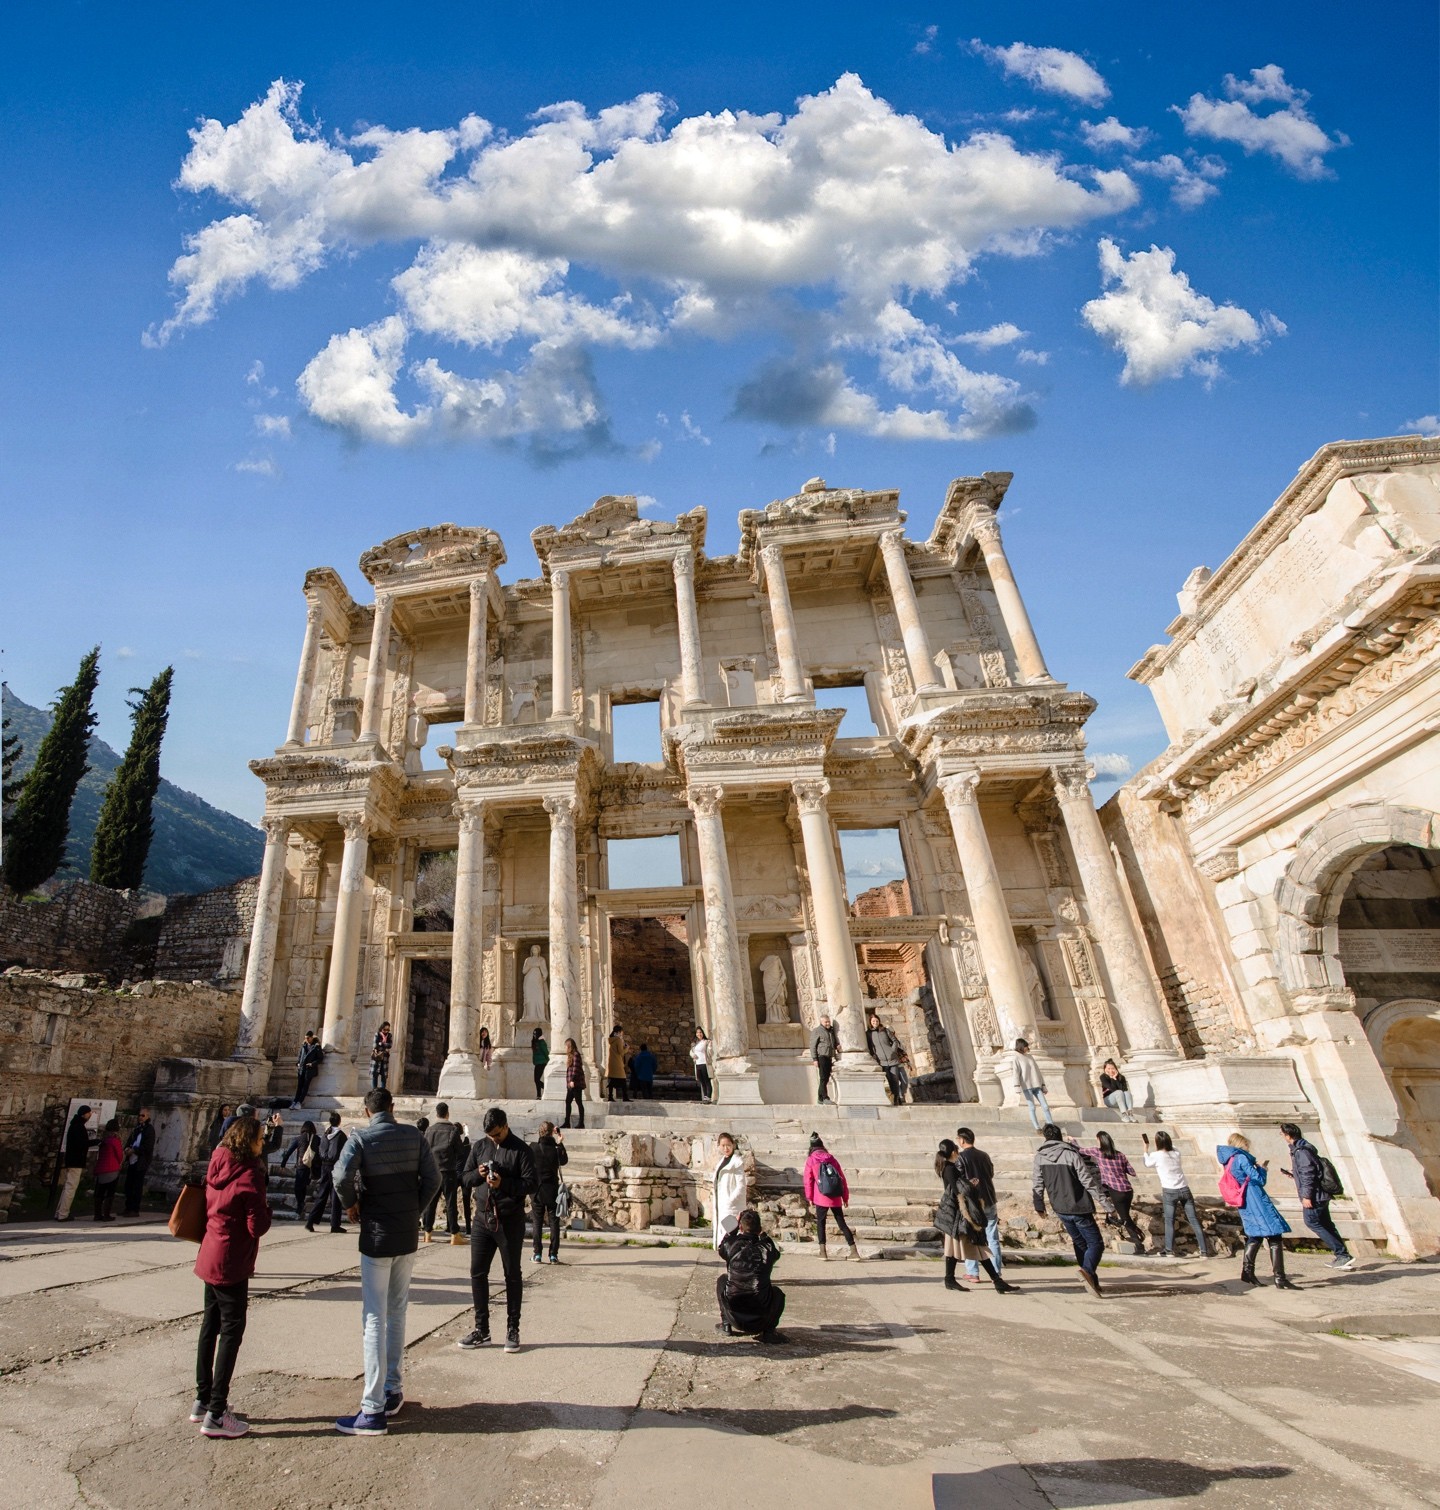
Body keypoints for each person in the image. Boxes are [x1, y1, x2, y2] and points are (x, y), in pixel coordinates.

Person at [332, 1088, 441, 1435]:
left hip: (377, 1235)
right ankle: (392, 1390)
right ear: (393, 1108)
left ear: (366, 1111)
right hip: (406, 1235)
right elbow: (434, 1179)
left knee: (374, 1318)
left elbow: (339, 1176)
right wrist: (415, 1210)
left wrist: (351, 1204)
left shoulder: (361, 1137)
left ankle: (372, 1409)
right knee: (397, 1312)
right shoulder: (413, 1135)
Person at [190, 1113, 273, 1438]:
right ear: (250, 1140)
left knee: (209, 1327)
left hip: (209, 1254)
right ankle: (217, 1412)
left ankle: (202, 1399)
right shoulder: (250, 1175)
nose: (263, 1143)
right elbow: (256, 1226)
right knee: (231, 1333)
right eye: (261, 1138)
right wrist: (265, 1211)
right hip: (231, 1261)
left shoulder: (217, 1162)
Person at [458, 1108, 536, 1354]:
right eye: (491, 1135)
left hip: (509, 1220)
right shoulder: (481, 1146)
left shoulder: (521, 1150)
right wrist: (479, 1175)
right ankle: (482, 1330)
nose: (494, 1138)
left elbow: (531, 1184)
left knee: (512, 1274)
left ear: (505, 1125)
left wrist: (504, 1184)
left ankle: (513, 1329)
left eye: (497, 1134)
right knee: (477, 1273)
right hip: (482, 1218)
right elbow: (465, 1177)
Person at [1033, 1122, 1111, 1297]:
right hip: (1079, 1205)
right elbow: (1087, 1181)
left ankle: (1093, 1282)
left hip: (1060, 1207)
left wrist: (1039, 1205)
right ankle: (1087, 1271)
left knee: (1080, 1243)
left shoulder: (1039, 1157)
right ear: (1060, 1136)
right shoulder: (1070, 1154)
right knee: (1096, 1243)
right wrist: (1106, 1205)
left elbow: (1037, 1183)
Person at [935, 1140, 1020, 1294]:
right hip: (961, 1216)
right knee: (977, 1246)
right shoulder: (950, 1169)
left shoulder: (946, 1168)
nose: (958, 1152)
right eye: (956, 1149)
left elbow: (959, 1188)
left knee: (959, 1249)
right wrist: (970, 1186)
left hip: (957, 1216)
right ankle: (996, 1281)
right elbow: (958, 1192)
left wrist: (968, 1184)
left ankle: (952, 1279)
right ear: (953, 1152)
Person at [1217, 1133, 1296, 1290]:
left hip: (1244, 1199)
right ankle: (1280, 1278)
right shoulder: (1241, 1158)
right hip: (1255, 1197)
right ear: (1242, 1144)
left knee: (1255, 1236)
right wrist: (1262, 1169)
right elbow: (1259, 1179)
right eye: (1247, 1145)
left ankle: (1248, 1272)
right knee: (1274, 1235)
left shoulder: (1229, 1161)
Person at [1280, 1122, 1353, 1270]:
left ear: (1288, 1135)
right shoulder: (1304, 1149)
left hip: (1315, 1196)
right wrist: (1295, 1175)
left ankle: (1342, 1254)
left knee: (1312, 1222)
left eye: (1282, 1134)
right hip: (1320, 1194)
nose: (1282, 1136)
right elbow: (1308, 1172)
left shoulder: (1301, 1151)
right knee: (1326, 1224)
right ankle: (1343, 1254)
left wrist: (1307, 1196)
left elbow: (1308, 1174)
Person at [716, 1209, 786, 1342]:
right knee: (777, 1292)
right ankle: (769, 1332)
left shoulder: (731, 1245)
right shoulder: (767, 1248)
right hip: (761, 1317)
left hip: (734, 1314)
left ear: (740, 1226)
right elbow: (775, 1252)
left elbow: (722, 1247)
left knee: (722, 1280)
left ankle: (726, 1324)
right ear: (759, 1228)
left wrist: (732, 1230)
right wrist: (763, 1234)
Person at [1077, 1130, 1148, 1251]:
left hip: (1116, 1191)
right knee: (1125, 1216)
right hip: (1128, 1190)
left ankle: (1139, 1242)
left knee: (1124, 1218)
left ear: (1099, 1141)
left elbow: (1081, 1150)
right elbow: (1132, 1172)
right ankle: (1136, 1238)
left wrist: (1073, 1141)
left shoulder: (1098, 1152)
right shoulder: (1120, 1155)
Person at [1142, 1131, 1209, 1258]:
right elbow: (1172, 1149)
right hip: (1184, 1189)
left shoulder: (1156, 1155)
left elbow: (1147, 1163)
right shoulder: (1176, 1152)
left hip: (1170, 1191)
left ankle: (1169, 1250)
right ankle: (1204, 1251)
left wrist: (1145, 1149)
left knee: (1169, 1221)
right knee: (1194, 1220)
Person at [955, 1127, 1005, 1283]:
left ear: (961, 1140)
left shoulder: (961, 1158)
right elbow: (990, 1174)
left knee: (971, 1236)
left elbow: (959, 1180)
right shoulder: (984, 1155)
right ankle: (996, 1272)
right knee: (992, 1237)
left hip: (972, 1202)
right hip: (989, 1198)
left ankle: (973, 1272)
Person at [803, 1133, 860, 1260]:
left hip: (821, 1196)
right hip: (835, 1196)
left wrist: (809, 1197)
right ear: (822, 1145)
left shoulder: (811, 1159)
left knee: (821, 1223)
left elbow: (808, 1180)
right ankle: (854, 1251)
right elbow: (841, 1178)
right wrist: (845, 1197)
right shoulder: (832, 1159)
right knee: (842, 1224)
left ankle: (823, 1252)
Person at [422, 1102, 465, 1244]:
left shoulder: (429, 1130)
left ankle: (427, 1232)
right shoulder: (453, 1130)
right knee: (450, 1203)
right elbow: (460, 1151)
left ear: (436, 1114)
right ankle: (454, 1233)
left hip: (433, 1171)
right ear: (447, 1113)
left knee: (431, 1203)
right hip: (448, 1171)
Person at [529, 1121, 568, 1264]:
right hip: (552, 1189)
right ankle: (553, 1255)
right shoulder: (556, 1149)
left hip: (537, 1190)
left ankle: (537, 1253)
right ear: (552, 1132)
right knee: (554, 1222)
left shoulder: (533, 1148)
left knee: (537, 1222)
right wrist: (560, 1142)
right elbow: (564, 1161)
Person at [305, 1111, 348, 1234]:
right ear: (339, 1121)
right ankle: (335, 1224)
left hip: (324, 1166)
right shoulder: (340, 1135)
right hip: (335, 1167)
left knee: (322, 1194)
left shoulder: (325, 1134)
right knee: (335, 1196)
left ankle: (310, 1221)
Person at [54, 1105, 94, 1221]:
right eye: (89, 1113)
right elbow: (82, 1144)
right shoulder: (78, 1127)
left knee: (67, 1187)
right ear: (84, 1114)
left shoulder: (74, 1125)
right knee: (71, 1187)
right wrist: (95, 1142)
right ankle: (63, 1214)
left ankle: (60, 1212)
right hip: (76, 1160)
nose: (90, 1115)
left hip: (71, 1160)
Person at [712, 1131, 747, 1251]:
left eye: (728, 1145)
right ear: (719, 1146)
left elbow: (741, 1185)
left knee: (732, 1234)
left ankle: (734, 1258)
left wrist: (730, 1201)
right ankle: (727, 1256)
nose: (726, 1148)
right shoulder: (721, 1162)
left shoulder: (736, 1162)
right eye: (723, 1145)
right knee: (725, 1234)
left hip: (731, 1206)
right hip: (721, 1205)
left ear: (733, 1145)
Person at [866, 1011, 908, 1104]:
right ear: (870, 1022)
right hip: (882, 1061)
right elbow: (870, 1046)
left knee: (895, 1079)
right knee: (889, 1079)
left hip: (892, 1059)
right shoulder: (868, 1034)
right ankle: (894, 1096)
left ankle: (897, 1098)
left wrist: (892, 1051)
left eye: (876, 1021)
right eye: (873, 1022)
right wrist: (874, 1056)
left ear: (879, 1021)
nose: (875, 1023)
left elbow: (895, 1041)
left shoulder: (885, 1030)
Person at [279, 1119, 319, 1214]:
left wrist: (283, 1164)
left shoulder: (299, 1138)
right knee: (304, 1186)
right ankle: (302, 1204)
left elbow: (288, 1152)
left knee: (298, 1187)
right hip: (313, 1166)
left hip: (302, 1165)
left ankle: (300, 1204)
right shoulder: (317, 1138)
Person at [1011, 1039, 1053, 1130]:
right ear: (1021, 1047)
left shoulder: (1030, 1057)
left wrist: (1043, 1085)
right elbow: (1015, 1073)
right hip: (1027, 1087)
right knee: (1032, 1107)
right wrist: (1017, 1087)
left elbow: (1037, 1071)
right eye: (1025, 1046)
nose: (1027, 1048)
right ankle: (1037, 1128)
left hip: (1037, 1085)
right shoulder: (1016, 1058)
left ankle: (1050, 1125)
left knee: (1045, 1106)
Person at [121, 1107, 155, 1216]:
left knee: (137, 1185)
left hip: (141, 1161)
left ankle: (134, 1209)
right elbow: (130, 1140)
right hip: (132, 1160)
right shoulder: (137, 1129)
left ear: (148, 1117)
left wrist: (134, 1150)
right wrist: (127, 1148)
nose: (140, 1117)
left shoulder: (149, 1130)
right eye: (139, 1115)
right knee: (129, 1185)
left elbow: (148, 1147)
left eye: (143, 1115)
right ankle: (128, 1207)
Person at [92, 1118, 124, 1221]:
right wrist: (120, 1163)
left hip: (101, 1168)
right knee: (110, 1193)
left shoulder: (104, 1140)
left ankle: (97, 1214)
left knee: (99, 1193)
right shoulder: (115, 1141)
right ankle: (106, 1214)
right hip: (111, 1168)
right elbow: (119, 1155)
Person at [810, 1013, 840, 1104]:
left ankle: (820, 1098)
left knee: (826, 1078)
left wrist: (836, 1046)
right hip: (821, 1056)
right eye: (826, 1022)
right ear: (821, 1022)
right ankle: (825, 1097)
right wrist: (815, 1059)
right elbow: (812, 1046)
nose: (827, 1023)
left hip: (829, 1056)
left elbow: (831, 1042)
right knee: (823, 1077)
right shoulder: (817, 1031)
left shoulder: (830, 1031)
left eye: (828, 1022)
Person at [292, 1031, 323, 1108]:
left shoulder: (316, 1047)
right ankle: (295, 1101)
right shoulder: (304, 1046)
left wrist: (312, 1064)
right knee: (299, 1086)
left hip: (309, 1069)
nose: (307, 1040)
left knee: (305, 1086)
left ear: (312, 1037)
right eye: (305, 1038)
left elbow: (320, 1058)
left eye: (308, 1038)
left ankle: (299, 1102)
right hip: (301, 1069)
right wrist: (298, 1063)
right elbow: (300, 1056)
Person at [561, 1038, 586, 1129]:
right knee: (568, 1102)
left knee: (579, 1102)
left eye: (566, 1046)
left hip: (575, 1083)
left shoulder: (576, 1055)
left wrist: (572, 1080)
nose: (565, 1048)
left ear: (569, 1046)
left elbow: (576, 1069)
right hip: (571, 1084)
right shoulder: (571, 1055)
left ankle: (581, 1123)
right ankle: (567, 1122)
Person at [605, 1025, 630, 1102]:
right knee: (623, 1080)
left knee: (612, 1080)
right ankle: (625, 1097)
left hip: (612, 1063)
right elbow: (621, 1052)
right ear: (619, 1032)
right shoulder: (618, 1040)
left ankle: (610, 1096)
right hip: (617, 1063)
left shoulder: (612, 1040)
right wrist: (627, 1048)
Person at [691, 1026, 714, 1103]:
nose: (699, 1034)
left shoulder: (707, 1042)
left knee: (707, 1080)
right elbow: (691, 1051)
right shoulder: (695, 1043)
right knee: (702, 1081)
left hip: (705, 1063)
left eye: (700, 1032)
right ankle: (705, 1097)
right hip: (697, 1064)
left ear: (703, 1033)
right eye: (697, 1032)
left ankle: (709, 1097)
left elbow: (710, 1052)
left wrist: (710, 1047)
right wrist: (693, 1055)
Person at [370, 1022, 393, 1090]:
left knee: (384, 1075)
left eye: (388, 1030)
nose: (386, 1031)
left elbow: (390, 1045)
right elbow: (375, 1045)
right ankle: (374, 1090)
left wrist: (381, 1043)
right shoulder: (377, 1034)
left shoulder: (389, 1035)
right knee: (375, 1074)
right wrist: (384, 1044)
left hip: (385, 1057)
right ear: (381, 1028)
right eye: (384, 1029)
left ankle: (383, 1090)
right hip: (377, 1056)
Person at [531, 1027, 549, 1099]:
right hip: (537, 1063)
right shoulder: (535, 1042)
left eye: (536, 1033)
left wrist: (548, 1060)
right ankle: (539, 1095)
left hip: (542, 1062)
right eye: (534, 1033)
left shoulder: (541, 1042)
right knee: (536, 1080)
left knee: (537, 1080)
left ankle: (545, 1090)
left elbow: (546, 1052)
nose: (534, 1035)